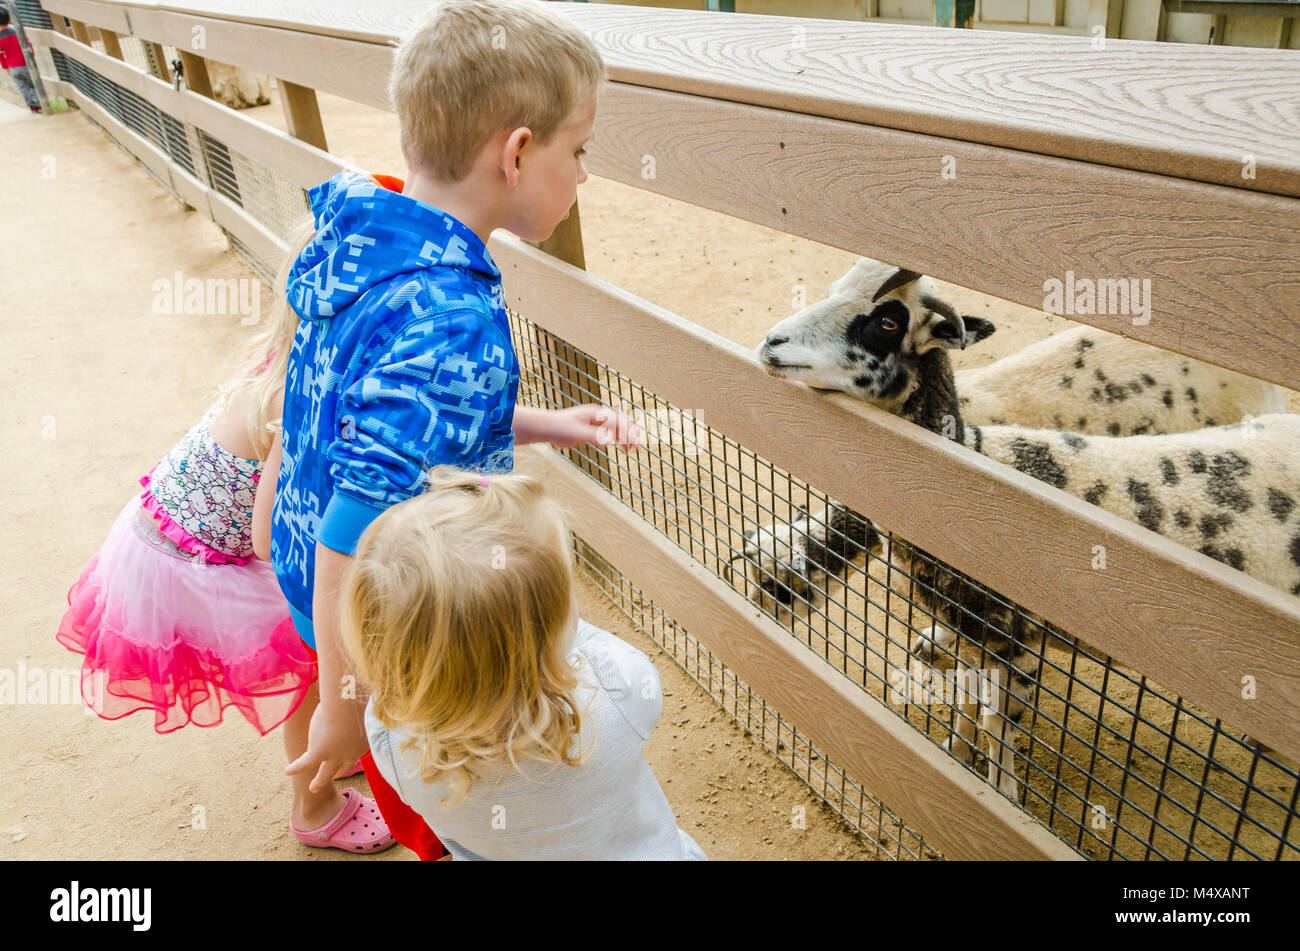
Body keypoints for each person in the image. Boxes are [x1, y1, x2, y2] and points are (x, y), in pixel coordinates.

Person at [268, 0, 639, 859]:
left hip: (311, 588)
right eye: (576, 152)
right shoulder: (451, 318)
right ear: (515, 153)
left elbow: (378, 411)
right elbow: (353, 532)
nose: (582, 175)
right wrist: (346, 706)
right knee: (452, 807)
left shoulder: (365, 238)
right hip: (396, 632)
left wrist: (544, 423)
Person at [56, 221, 393, 854]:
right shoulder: (294, 406)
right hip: (186, 561)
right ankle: (315, 806)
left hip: (171, 528)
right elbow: (270, 539)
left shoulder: (291, 358)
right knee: (312, 649)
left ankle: (332, 749)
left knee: (323, 633)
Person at [342, 467, 707, 860]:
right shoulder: (617, 691)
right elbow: (598, 650)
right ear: (549, 635)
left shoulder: (390, 739)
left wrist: (532, 617)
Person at [0, 9, 41, 113]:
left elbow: (1, 55)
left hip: (13, 68)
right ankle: (39, 105)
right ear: (9, 19)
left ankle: (32, 107)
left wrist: (6, 67)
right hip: (26, 64)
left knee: (23, 88)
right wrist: (32, 58)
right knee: (33, 85)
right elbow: (29, 45)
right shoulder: (17, 32)